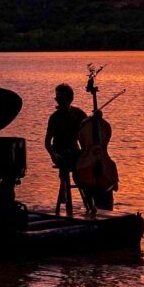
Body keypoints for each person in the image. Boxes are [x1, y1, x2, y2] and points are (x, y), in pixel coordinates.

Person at [44, 84, 89, 216]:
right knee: (65, 160)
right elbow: (47, 142)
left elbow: (87, 132)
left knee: (81, 164)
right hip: (59, 150)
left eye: (61, 99)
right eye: (57, 99)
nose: (58, 102)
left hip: (74, 149)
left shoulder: (79, 114)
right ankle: (64, 185)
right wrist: (53, 155)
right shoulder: (54, 118)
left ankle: (88, 192)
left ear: (69, 99)